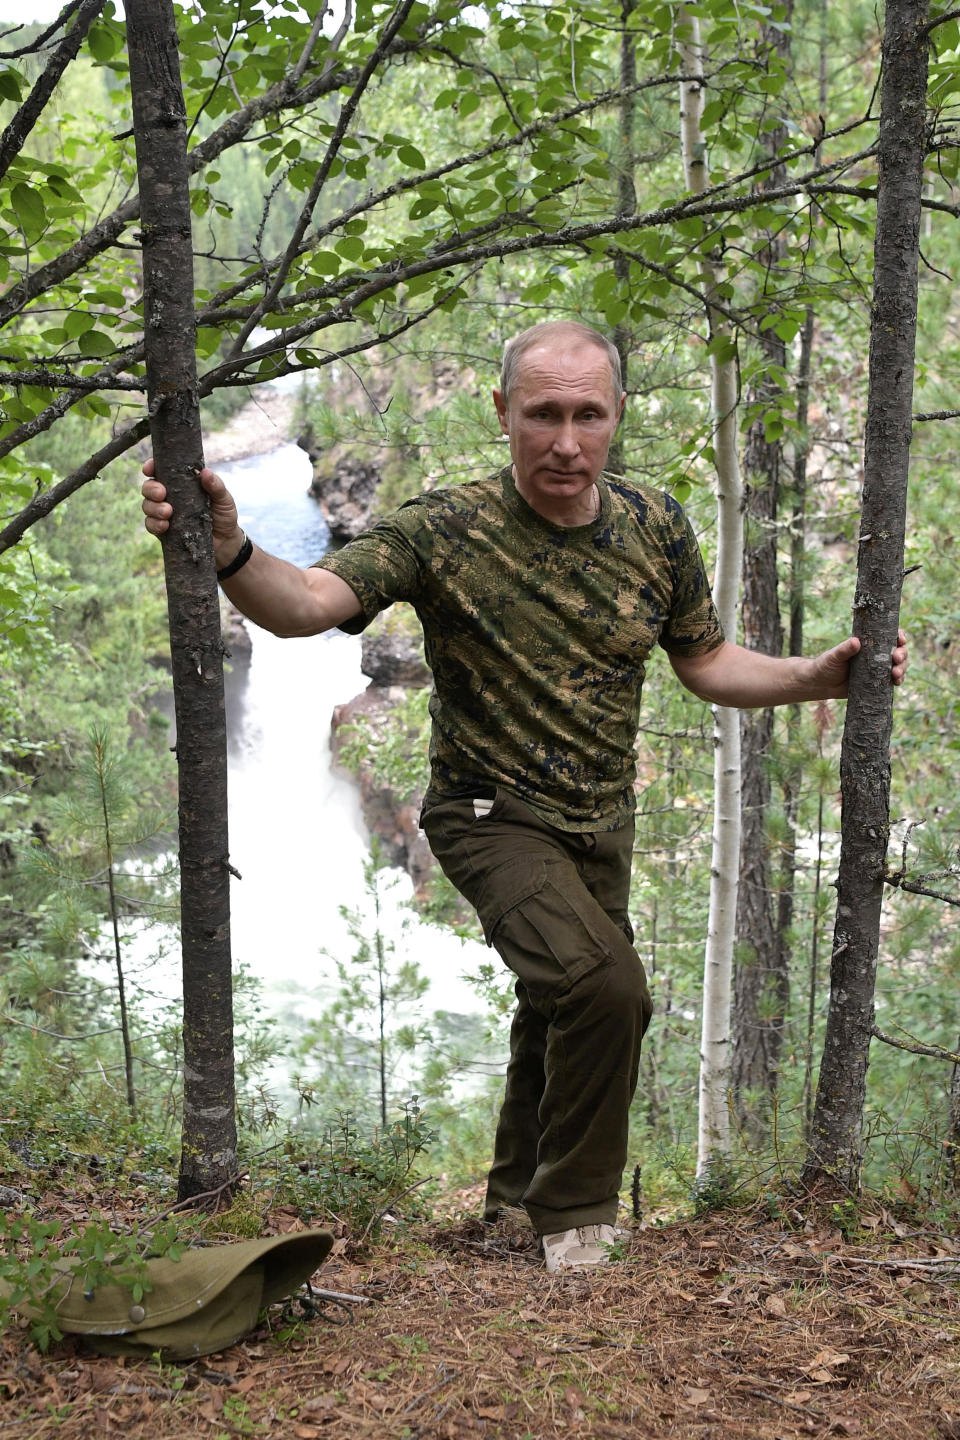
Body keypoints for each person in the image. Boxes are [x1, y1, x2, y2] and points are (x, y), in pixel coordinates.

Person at [142, 320, 908, 1273]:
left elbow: (705, 662)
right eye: (543, 414)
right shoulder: (443, 529)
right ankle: (575, 1223)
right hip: (484, 815)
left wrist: (817, 677)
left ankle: (508, 1206)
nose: (566, 441)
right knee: (606, 987)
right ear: (502, 412)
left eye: (589, 415)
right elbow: (307, 606)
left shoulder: (655, 527)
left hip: (602, 822)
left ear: (617, 415)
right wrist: (231, 549)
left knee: (559, 1005)